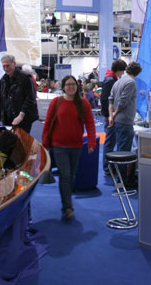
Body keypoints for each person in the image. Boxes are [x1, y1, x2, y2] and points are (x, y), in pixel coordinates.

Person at [41, 75, 96, 220]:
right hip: (59, 146)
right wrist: (45, 142)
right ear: (63, 87)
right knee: (65, 175)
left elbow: (90, 123)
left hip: (76, 145)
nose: (71, 87)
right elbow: (48, 123)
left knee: (71, 176)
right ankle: (67, 206)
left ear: (77, 86)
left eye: (73, 84)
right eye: (68, 84)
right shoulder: (56, 102)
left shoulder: (83, 103)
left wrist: (91, 142)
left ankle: (67, 200)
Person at [108, 61, 142, 184]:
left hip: (118, 121)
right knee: (124, 152)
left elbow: (111, 100)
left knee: (120, 148)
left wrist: (111, 115)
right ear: (137, 73)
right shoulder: (131, 82)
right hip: (125, 121)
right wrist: (115, 114)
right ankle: (123, 180)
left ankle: (121, 178)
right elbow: (123, 102)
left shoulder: (117, 82)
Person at [0, 54, 38, 133]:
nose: (6, 68)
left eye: (8, 65)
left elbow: (30, 99)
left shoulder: (25, 78)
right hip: (7, 119)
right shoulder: (3, 80)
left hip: (24, 119)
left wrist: (21, 115)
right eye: (4, 66)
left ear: (14, 64)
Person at [100, 59, 128, 176]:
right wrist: (107, 115)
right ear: (119, 70)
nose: (123, 73)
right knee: (110, 142)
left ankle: (109, 167)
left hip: (111, 115)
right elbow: (104, 99)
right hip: (110, 116)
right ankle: (108, 168)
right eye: (123, 71)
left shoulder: (111, 79)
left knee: (111, 141)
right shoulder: (110, 80)